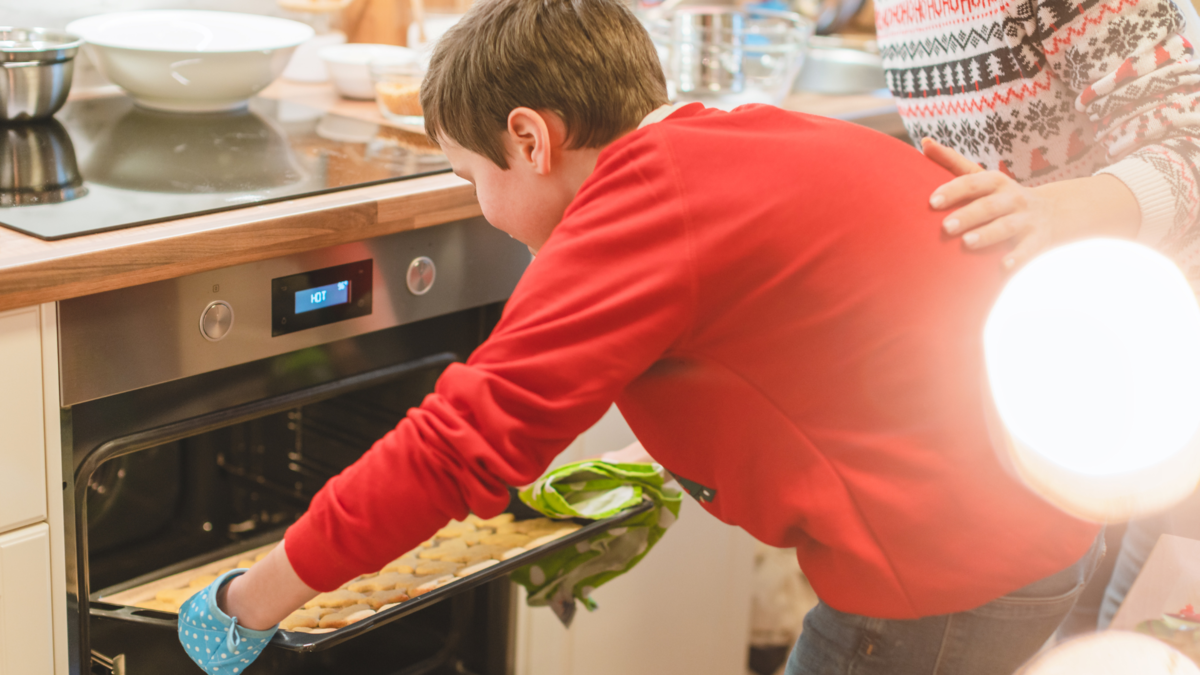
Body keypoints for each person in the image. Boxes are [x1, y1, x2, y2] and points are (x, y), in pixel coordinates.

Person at [174, 1, 1106, 673]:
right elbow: (816, 353)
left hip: (950, 575)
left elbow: (453, 446)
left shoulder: (647, 200)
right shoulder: (729, 141)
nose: (483, 210)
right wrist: (672, 461)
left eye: (469, 178)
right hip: (1032, 523)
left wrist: (243, 606)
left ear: (531, 139)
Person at [878, 0, 1200, 630]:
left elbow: (1189, 148)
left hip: (1169, 340)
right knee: (1126, 624)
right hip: (1078, 356)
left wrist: (1048, 213)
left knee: (1160, 623)